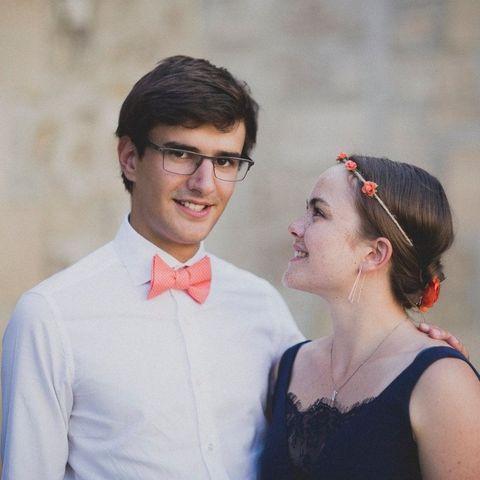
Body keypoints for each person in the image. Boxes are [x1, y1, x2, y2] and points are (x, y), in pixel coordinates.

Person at [1, 57, 464, 480]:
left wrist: (413, 351)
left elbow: (339, 396)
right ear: (129, 158)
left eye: (225, 160)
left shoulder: (261, 306)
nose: (205, 184)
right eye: (181, 154)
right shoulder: (51, 317)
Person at [260, 154, 480, 479]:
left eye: (318, 213)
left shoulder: (441, 382)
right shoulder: (287, 366)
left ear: (374, 254)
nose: (295, 227)